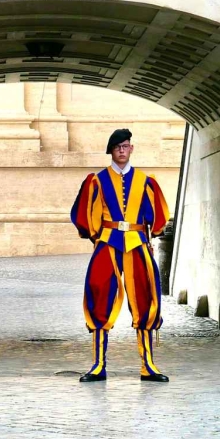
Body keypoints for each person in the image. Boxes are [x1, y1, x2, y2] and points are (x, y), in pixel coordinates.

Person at [69, 128, 172, 383]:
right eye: (117, 147)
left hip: (137, 244)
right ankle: (98, 365)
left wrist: (149, 235)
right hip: (108, 243)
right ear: (111, 151)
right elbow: (85, 216)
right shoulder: (98, 180)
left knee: (145, 297)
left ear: (131, 148)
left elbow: (158, 219)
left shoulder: (145, 181)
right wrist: (98, 236)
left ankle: (148, 365)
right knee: (99, 295)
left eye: (125, 146)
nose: (122, 150)